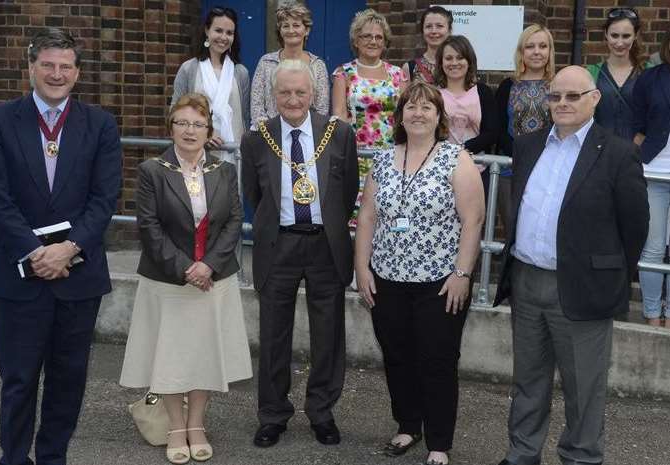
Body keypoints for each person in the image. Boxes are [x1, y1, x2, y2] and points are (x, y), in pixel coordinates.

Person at [0, 27, 122, 465]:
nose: (56, 74)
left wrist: (69, 248)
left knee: (68, 379)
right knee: (18, 380)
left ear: (77, 73)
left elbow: (105, 198)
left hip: (77, 276)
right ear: (31, 67)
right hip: (18, 275)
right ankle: (14, 458)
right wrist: (36, 252)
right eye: (48, 65)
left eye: (65, 66)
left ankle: (53, 457)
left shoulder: (100, 124)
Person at [493, 66, 649, 465]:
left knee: (584, 386)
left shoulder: (617, 152)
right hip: (527, 282)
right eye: (554, 96)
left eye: (572, 96)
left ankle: (581, 458)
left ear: (594, 99)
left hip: (581, 288)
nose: (561, 103)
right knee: (528, 380)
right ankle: (522, 454)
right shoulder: (528, 145)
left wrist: (604, 275)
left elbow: (634, 226)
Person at [355, 81, 484, 465]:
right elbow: (367, 216)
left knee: (437, 360)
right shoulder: (382, 159)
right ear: (400, 117)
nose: (418, 113)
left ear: (439, 116)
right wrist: (361, 268)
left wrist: (462, 272)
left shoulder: (455, 157)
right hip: (388, 278)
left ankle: (439, 443)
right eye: (410, 106)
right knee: (397, 356)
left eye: (427, 107)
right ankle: (408, 425)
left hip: (441, 281)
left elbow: (473, 220)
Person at [119, 93, 252, 464]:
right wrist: (185, 268)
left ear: (208, 129)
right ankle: (175, 426)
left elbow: (231, 223)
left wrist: (208, 265)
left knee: (204, 356)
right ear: (171, 127)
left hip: (214, 280)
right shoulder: (152, 171)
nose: (190, 130)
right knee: (172, 357)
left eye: (198, 123)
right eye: (182, 123)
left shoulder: (224, 170)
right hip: (168, 282)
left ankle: (197, 424)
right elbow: (149, 226)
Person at [241, 59, 359, 448]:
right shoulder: (256, 139)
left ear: (314, 94)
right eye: (285, 92)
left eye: (300, 92)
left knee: (328, 336)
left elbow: (345, 193)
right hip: (280, 244)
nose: (293, 99)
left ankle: (322, 412)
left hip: (326, 245)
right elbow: (255, 197)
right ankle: (273, 415)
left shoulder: (338, 134)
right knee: (274, 335)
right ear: (273, 95)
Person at [331, 8, 407, 227]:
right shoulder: (343, 73)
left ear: (385, 42)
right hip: (356, 157)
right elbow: (338, 116)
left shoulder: (397, 75)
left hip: (391, 158)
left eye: (378, 37)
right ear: (356, 40)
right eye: (366, 36)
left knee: (389, 220)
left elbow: (405, 116)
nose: (373, 41)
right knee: (355, 222)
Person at [495, 24, 555, 236]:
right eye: (530, 46)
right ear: (521, 52)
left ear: (550, 51)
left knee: (542, 230)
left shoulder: (558, 85)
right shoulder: (507, 85)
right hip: (510, 168)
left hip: (548, 168)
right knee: (513, 230)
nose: (537, 52)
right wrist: (520, 153)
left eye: (542, 46)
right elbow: (498, 129)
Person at [171, 6, 250, 163]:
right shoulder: (189, 69)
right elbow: (175, 111)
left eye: (229, 33)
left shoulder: (241, 72)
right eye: (218, 30)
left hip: (233, 154)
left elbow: (245, 118)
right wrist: (206, 132)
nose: (223, 37)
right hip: (196, 153)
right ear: (207, 31)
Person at [632, 27, 670, 327]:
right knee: (654, 247)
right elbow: (637, 123)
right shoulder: (651, 78)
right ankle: (654, 314)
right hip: (655, 171)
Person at [250, 1, 330, 126]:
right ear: (280, 30)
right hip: (270, 135)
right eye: (285, 26)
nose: (291, 30)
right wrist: (268, 134)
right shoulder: (266, 63)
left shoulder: (317, 65)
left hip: (307, 136)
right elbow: (257, 107)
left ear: (307, 30)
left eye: (296, 25)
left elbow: (322, 109)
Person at [435, 35, 497, 193]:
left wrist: (461, 151)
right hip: (440, 171)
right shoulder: (434, 94)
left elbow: (492, 132)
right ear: (441, 63)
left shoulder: (482, 92)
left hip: (477, 170)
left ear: (469, 61)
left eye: (460, 57)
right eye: (448, 58)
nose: (454, 63)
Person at [587, 7, 650, 141]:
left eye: (626, 36)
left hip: (637, 153)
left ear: (636, 35)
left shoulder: (647, 71)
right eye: (614, 35)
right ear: (606, 34)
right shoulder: (592, 72)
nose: (619, 43)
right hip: (599, 151)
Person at [402, 5, 452, 84]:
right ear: (423, 31)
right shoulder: (409, 68)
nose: (434, 31)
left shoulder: (458, 66)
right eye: (428, 26)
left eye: (439, 26)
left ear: (449, 30)